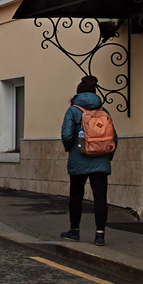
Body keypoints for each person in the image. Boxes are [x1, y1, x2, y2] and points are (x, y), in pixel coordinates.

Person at [60, 75, 117, 246]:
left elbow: (67, 134)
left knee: (76, 195)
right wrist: (108, 156)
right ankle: (100, 234)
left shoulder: (73, 110)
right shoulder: (103, 111)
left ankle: (74, 231)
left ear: (78, 93)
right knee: (100, 197)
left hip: (79, 159)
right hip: (101, 161)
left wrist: (70, 148)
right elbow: (114, 137)